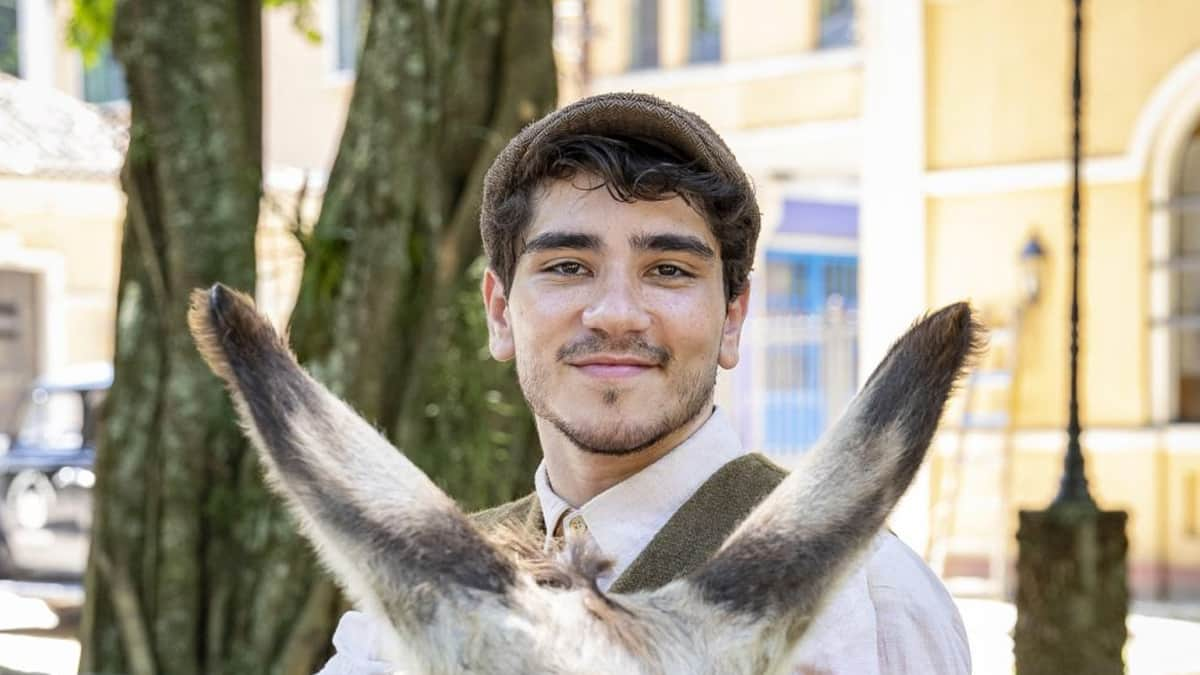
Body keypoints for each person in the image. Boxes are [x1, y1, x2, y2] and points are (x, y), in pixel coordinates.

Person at [317, 92, 971, 674]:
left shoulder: (868, 600)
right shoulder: (397, 618)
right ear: (499, 312)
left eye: (668, 270)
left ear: (733, 318)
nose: (617, 314)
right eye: (569, 265)